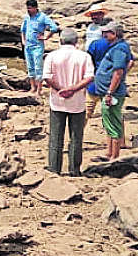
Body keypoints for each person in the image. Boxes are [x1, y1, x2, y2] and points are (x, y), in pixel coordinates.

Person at [42, 29, 95, 176]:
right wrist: (72, 89)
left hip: (57, 101)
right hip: (77, 102)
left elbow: (47, 77)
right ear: (76, 42)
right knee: (76, 137)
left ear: (60, 41)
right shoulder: (84, 56)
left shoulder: (52, 56)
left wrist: (61, 89)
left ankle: (54, 168)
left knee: (55, 138)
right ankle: (74, 169)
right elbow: (89, 77)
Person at [90, 22, 132, 160]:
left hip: (112, 93)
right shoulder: (116, 47)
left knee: (113, 123)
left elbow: (118, 72)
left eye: (106, 33)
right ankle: (109, 153)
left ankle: (114, 155)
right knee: (108, 122)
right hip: (106, 92)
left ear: (114, 34)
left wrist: (109, 92)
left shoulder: (119, 49)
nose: (103, 35)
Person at [20, 0, 59, 96]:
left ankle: (39, 89)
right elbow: (23, 29)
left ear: (35, 7)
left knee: (38, 67)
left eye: (30, 8)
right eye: (27, 8)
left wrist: (46, 37)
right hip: (28, 46)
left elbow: (54, 27)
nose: (28, 10)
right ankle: (32, 87)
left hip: (37, 46)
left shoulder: (42, 17)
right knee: (30, 66)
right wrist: (23, 40)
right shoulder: (27, 18)